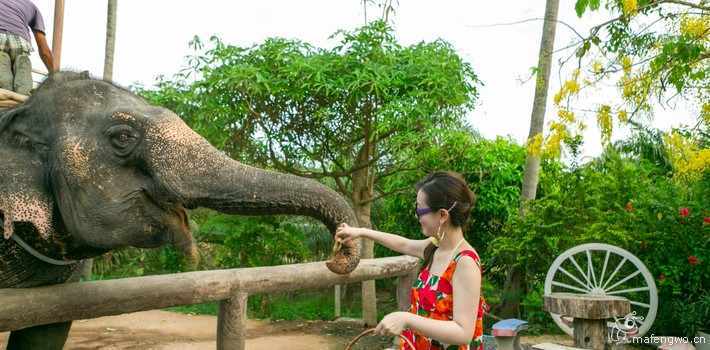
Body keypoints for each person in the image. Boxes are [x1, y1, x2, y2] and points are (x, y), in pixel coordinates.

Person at [336, 170, 487, 350]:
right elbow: (404, 244)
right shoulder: (435, 247)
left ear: (443, 215)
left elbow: (463, 332)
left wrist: (406, 319)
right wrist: (360, 232)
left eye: (420, 210)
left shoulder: (465, 262)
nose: (418, 216)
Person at [0, 0, 54, 95]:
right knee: (23, 85)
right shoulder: (32, 7)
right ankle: (23, 95)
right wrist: (54, 74)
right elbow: (45, 51)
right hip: (21, 44)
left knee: (4, 85)